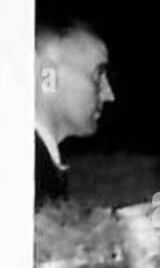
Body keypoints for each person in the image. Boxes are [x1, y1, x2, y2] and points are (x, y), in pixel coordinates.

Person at [34, 15, 114, 208]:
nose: (109, 94)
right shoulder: (24, 170)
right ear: (48, 77)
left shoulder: (39, 162)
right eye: (97, 75)